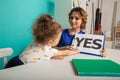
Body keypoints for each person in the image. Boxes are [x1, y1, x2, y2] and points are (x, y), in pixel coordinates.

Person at [5, 14, 80, 68]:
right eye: (59, 38)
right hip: (20, 68)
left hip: (13, 61)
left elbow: (41, 52)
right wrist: (76, 51)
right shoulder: (48, 51)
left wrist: (63, 48)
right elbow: (65, 52)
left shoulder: (35, 41)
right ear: (50, 42)